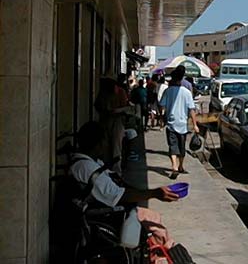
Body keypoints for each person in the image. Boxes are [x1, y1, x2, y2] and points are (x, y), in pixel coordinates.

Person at [70, 121, 178, 252]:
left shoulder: (90, 162)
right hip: (104, 213)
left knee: (152, 217)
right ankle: (160, 254)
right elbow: (118, 195)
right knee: (156, 226)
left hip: (105, 206)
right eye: (104, 142)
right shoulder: (87, 168)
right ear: (98, 144)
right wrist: (154, 193)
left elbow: (116, 182)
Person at [159, 67, 200, 179]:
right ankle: (181, 166)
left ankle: (174, 167)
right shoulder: (186, 92)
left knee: (172, 146)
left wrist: (163, 116)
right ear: (181, 79)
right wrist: (195, 125)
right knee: (181, 147)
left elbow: (162, 106)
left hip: (171, 123)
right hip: (183, 125)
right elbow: (192, 109)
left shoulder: (167, 91)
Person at [95, 77, 132, 175]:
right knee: (105, 146)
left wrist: (116, 110)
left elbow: (125, 107)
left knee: (116, 147)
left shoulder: (120, 92)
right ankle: (107, 169)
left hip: (116, 120)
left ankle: (116, 171)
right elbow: (98, 105)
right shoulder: (104, 93)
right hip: (106, 120)